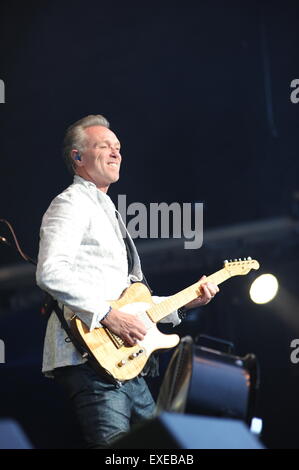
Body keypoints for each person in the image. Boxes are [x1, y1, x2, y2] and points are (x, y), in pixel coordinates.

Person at [36, 114, 219, 449]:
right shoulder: (71, 203)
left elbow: (130, 301)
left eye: (118, 147)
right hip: (88, 355)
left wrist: (186, 301)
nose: (116, 153)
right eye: (104, 146)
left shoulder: (107, 209)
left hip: (122, 362)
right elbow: (50, 272)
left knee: (163, 449)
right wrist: (109, 316)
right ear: (78, 156)